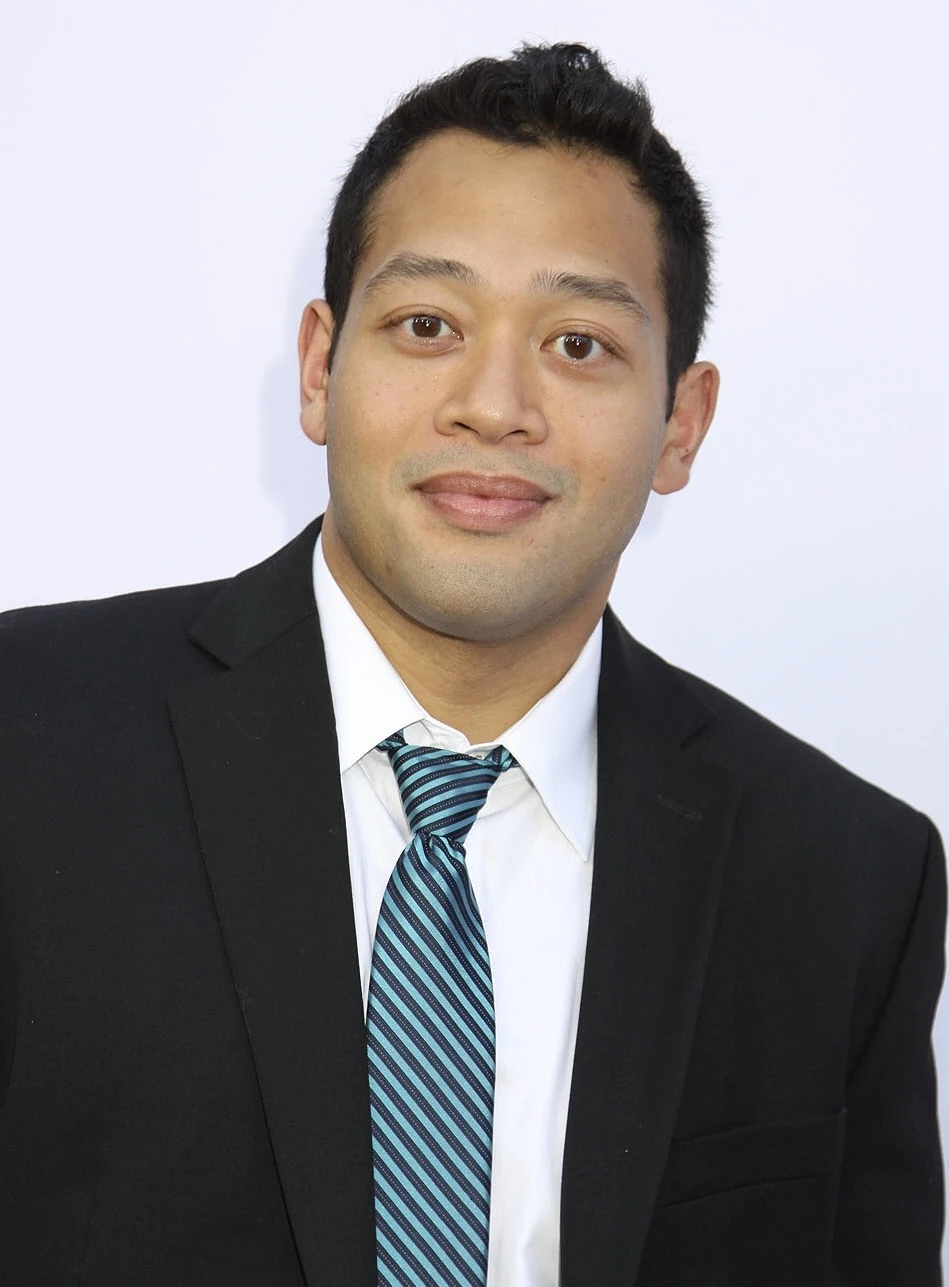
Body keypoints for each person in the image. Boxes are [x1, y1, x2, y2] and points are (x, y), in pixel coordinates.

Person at [0, 41, 943, 1287]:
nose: (494, 405)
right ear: (320, 369)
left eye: (579, 345)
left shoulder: (845, 878)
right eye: (428, 325)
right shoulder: (28, 746)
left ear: (681, 424)